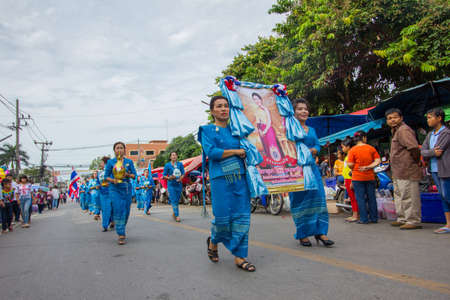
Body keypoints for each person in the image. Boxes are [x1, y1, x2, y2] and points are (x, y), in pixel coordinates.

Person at [198, 95, 256, 272]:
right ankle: (214, 241)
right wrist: (236, 151)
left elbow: (250, 148)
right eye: (219, 106)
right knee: (222, 219)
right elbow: (212, 152)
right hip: (220, 179)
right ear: (212, 111)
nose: (224, 109)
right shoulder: (206, 130)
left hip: (240, 177)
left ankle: (240, 257)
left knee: (242, 216)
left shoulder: (237, 130)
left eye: (226, 106)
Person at [289, 98, 334, 247]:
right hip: (296, 170)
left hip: (312, 169)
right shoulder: (288, 129)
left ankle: (320, 232)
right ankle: (303, 234)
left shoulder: (312, 129)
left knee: (318, 198)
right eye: (300, 109)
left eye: (305, 109)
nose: (304, 111)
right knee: (300, 201)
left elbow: (317, 145)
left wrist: (313, 150)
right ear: (293, 111)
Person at [386, 108, 422, 230]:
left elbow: (414, 148)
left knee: (409, 196)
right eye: (389, 118)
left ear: (401, 118)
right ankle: (402, 218)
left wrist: (415, 161)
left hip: (407, 169)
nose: (392, 120)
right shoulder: (395, 131)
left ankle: (413, 220)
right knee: (399, 195)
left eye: (395, 117)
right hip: (398, 171)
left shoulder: (404, 130)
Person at [421, 108, 450, 233]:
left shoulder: (446, 133)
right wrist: (431, 152)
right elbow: (423, 151)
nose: (428, 120)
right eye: (427, 118)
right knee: (443, 197)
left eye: (430, 117)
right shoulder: (430, 134)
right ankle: (448, 224)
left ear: (439, 118)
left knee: (447, 195)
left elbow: (440, 151)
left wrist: (430, 152)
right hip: (434, 169)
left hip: (445, 169)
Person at [105, 142, 137, 245]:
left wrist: (126, 174)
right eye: (117, 148)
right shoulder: (110, 162)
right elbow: (106, 176)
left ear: (124, 150)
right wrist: (112, 180)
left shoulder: (129, 162)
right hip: (114, 189)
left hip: (126, 188)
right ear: (114, 150)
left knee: (126, 211)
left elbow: (134, 175)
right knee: (118, 209)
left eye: (121, 148)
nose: (119, 150)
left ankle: (121, 226)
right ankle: (121, 234)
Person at [347, 131, 380, 224]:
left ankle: (364, 219)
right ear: (364, 138)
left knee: (360, 198)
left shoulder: (352, 150)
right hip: (370, 177)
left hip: (357, 177)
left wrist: (354, 166)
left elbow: (350, 164)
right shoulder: (371, 148)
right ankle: (374, 218)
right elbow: (378, 161)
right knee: (371, 197)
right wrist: (369, 166)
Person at [252, 92, 285, 162]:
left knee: (272, 145)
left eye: (257, 99)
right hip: (261, 130)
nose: (256, 101)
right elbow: (258, 122)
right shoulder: (256, 111)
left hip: (268, 129)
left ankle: (278, 163)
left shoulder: (265, 109)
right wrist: (259, 130)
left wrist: (265, 130)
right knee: (266, 146)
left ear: (260, 99)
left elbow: (269, 121)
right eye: (254, 99)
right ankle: (272, 165)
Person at [163, 152, 185, 222]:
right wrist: (169, 178)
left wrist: (180, 178)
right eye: (172, 155)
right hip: (171, 185)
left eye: (175, 155)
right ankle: (177, 215)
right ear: (170, 157)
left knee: (177, 200)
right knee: (173, 200)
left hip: (178, 184)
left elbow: (183, 173)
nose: (174, 156)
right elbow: (164, 175)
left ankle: (174, 213)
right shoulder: (167, 165)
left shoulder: (180, 164)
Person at [341, 138, 359, 222]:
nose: (342, 149)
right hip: (347, 179)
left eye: (343, 147)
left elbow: (352, 169)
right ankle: (355, 214)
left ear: (348, 146)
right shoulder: (348, 155)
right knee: (352, 197)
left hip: (351, 179)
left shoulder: (351, 155)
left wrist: (352, 180)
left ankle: (355, 215)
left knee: (353, 197)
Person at [99, 156, 114, 231]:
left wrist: (109, 183)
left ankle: (108, 223)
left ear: (105, 163)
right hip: (103, 193)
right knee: (106, 209)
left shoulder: (111, 171)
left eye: (101, 162)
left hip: (110, 192)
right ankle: (108, 223)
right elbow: (99, 183)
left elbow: (113, 181)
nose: (100, 164)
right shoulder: (100, 173)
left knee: (109, 209)